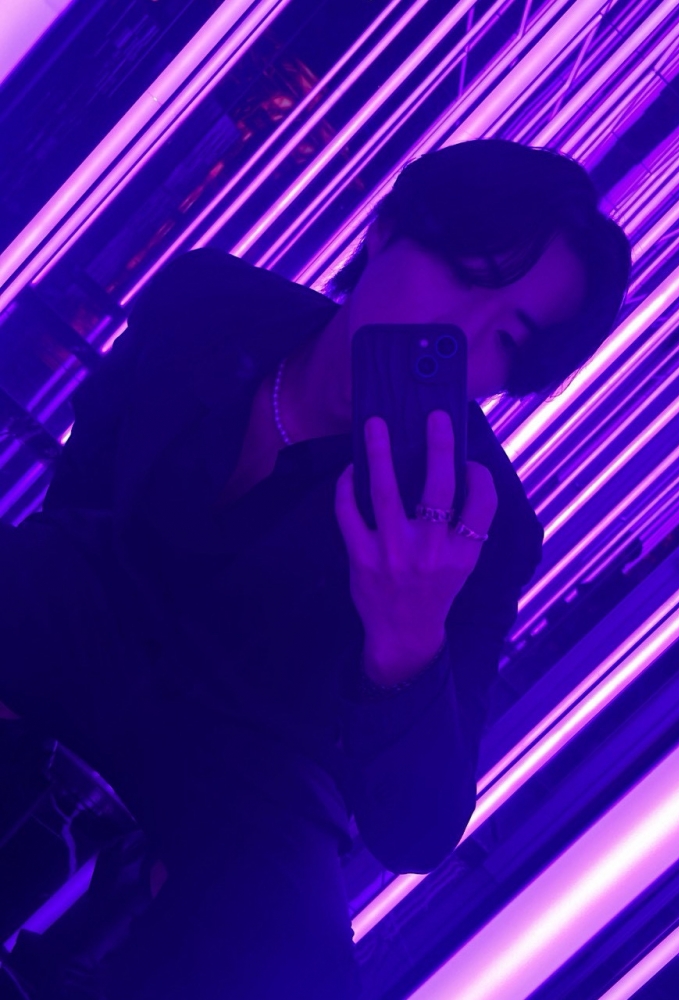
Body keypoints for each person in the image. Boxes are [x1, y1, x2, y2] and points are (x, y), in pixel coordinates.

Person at [0, 139, 630, 999]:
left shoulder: (483, 518)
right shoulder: (204, 302)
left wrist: (407, 641)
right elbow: (80, 492)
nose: (461, 334)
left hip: (246, 767)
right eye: (464, 275)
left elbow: (416, 830)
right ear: (384, 230)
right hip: (80, 615)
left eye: (507, 340)